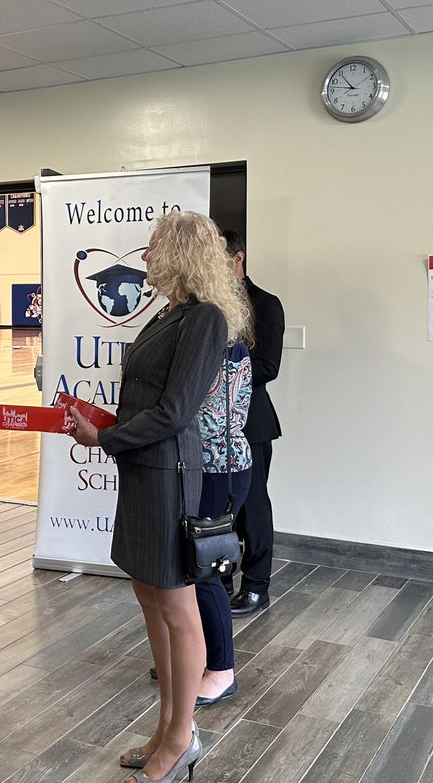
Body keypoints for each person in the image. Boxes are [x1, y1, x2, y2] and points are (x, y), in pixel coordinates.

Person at [67, 210, 230, 783]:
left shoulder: (205, 319)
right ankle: (166, 727)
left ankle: (182, 737)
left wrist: (104, 437)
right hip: (144, 467)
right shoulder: (172, 314)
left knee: (177, 607)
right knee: (149, 596)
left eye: (154, 246)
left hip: (166, 471)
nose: (144, 257)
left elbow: (175, 411)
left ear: (182, 252)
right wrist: (105, 426)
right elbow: (150, 400)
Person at [192, 281, 253, 708]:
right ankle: (195, 653)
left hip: (219, 467)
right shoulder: (218, 330)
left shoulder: (217, 336)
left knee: (203, 572)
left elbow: (206, 414)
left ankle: (220, 669)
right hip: (208, 464)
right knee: (187, 569)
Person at [223, 230, 285, 618]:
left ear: (238, 258)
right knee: (217, 509)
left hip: (251, 423)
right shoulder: (207, 306)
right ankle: (219, 578)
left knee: (252, 507)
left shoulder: (266, 303)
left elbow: (268, 367)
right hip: (211, 427)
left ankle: (256, 587)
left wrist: (217, 377)